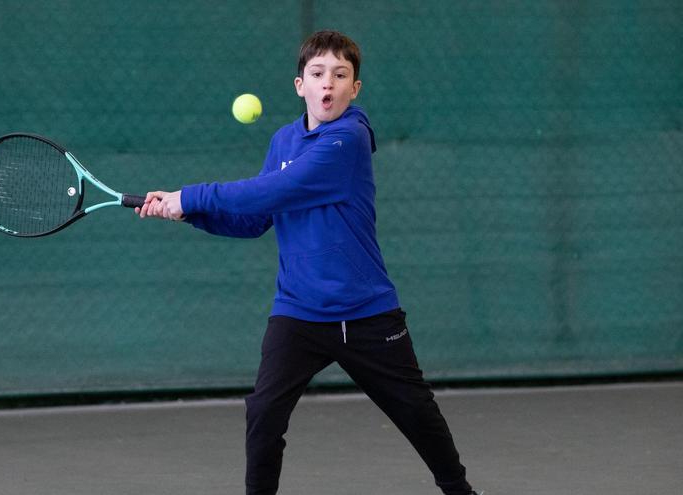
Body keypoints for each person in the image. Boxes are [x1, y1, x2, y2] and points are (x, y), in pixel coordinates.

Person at [136, 30, 480, 495]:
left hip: (366, 312)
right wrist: (190, 215)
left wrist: (188, 195)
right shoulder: (283, 141)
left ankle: (460, 491)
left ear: (354, 88)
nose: (328, 85)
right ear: (300, 84)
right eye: (318, 74)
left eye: (341, 76)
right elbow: (257, 218)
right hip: (298, 311)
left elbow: (280, 189)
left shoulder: (350, 138)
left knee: (416, 411)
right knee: (263, 413)